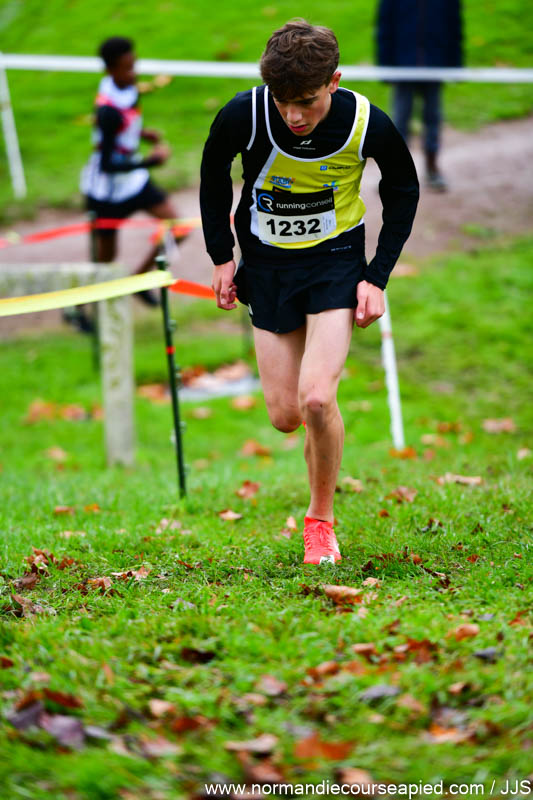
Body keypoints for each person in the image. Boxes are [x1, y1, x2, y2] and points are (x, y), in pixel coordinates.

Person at [200, 20, 419, 565]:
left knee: (317, 398)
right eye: (283, 102)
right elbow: (212, 176)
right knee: (285, 415)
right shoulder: (246, 114)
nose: (294, 116)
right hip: (268, 268)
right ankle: (317, 438)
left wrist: (376, 277)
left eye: (306, 102)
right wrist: (222, 257)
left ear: (334, 82)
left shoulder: (366, 122)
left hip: (335, 264)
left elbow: (403, 189)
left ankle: (320, 521)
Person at [78, 36, 181, 326]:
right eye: (127, 68)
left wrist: (142, 134)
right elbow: (108, 164)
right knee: (105, 262)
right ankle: (77, 308)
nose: (134, 72)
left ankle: (139, 281)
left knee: (178, 227)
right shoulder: (107, 110)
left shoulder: (128, 89)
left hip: (134, 182)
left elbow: (126, 126)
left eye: (134, 65)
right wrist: (151, 162)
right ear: (111, 69)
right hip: (107, 192)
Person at [376, 0, 463, 192]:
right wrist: (385, 66)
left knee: (433, 118)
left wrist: (455, 65)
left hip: (435, 64)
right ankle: (395, 172)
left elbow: (454, 26)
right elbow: (384, 26)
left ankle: (432, 168)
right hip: (402, 65)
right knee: (399, 121)